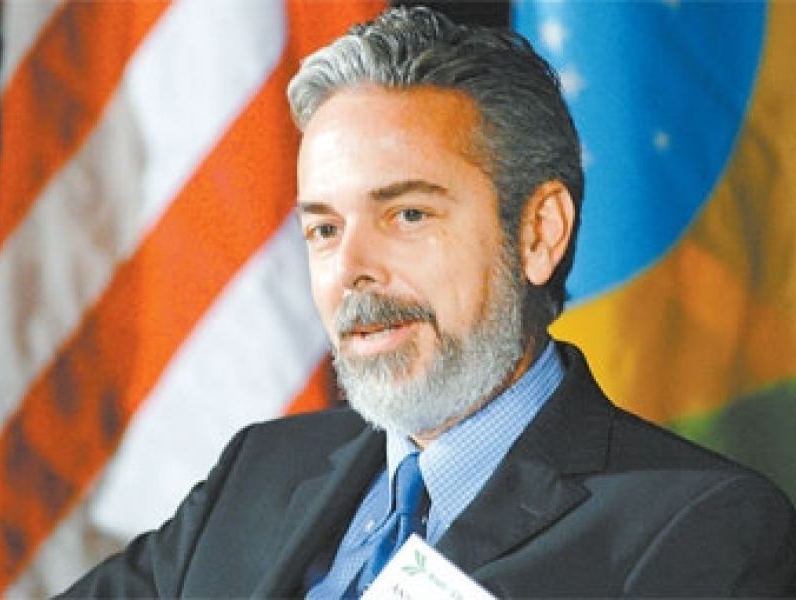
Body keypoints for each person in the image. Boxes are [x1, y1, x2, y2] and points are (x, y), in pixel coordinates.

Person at [60, 6, 796, 598]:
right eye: (324, 229)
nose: (352, 270)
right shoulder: (259, 471)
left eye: (407, 215)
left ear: (538, 233)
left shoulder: (697, 527)